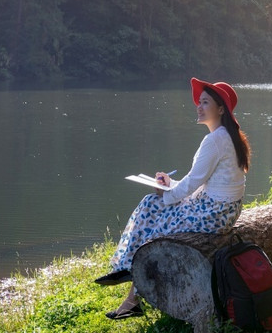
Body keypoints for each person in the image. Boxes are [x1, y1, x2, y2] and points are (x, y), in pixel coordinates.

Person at [95, 78, 250, 319]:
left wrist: (169, 194)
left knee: (153, 213)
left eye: (205, 102)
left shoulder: (215, 140)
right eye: (199, 102)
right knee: (152, 206)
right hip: (221, 210)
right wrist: (171, 186)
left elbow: (193, 183)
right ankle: (130, 281)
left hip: (214, 213)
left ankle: (129, 276)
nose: (199, 107)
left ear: (221, 109)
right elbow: (197, 182)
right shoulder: (227, 136)